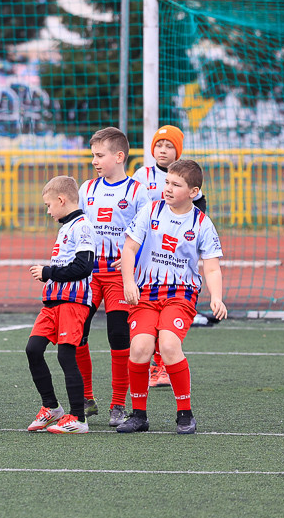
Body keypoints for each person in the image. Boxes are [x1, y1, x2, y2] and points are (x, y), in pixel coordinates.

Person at [118, 159, 227, 435]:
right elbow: (129, 249)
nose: (167, 188)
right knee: (140, 348)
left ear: (193, 192)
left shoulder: (202, 223)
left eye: (176, 185)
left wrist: (217, 297)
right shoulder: (150, 211)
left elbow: (211, 267)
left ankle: (185, 414)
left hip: (180, 294)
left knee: (168, 345)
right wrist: (129, 282)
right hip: (146, 293)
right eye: (167, 182)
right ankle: (139, 415)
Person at [76, 127, 149, 427]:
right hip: (90, 273)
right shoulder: (87, 189)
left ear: (119, 156)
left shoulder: (137, 191)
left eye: (99, 155)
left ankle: (118, 404)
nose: (94, 161)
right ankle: (87, 398)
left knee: (118, 335)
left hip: (120, 275)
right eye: (93, 155)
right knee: (77, 331)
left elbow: (148, 233)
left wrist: (134, 258)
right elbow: (77, 228)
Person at [132, 124, 208, 388]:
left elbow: (198, 214)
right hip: (145, 254)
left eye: (169, 146)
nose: (162, 150)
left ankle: (161, 366)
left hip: (173, 258)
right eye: (159, 144)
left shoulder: (188, 179)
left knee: (167, 314)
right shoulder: (142, 175)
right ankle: (147, 363)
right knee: (145, 314)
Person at [25, 176, 95, 434]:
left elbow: (83, 267)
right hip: (53, 302)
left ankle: (78, 418)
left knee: (66, 355)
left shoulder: (82, 226)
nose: (48, 211)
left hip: (73, 302)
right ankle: (52, 407)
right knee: (33, 349)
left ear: (61, 200)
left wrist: (48, 272)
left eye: (49, 205)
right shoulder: (66, 227)